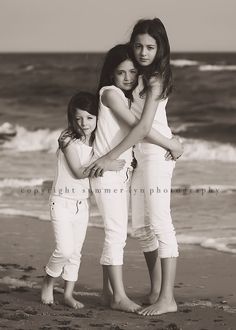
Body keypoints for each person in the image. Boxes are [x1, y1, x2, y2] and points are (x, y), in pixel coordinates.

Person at [87, 18, 182, 316]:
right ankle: (156, 290)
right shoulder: (138, 76)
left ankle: (168, 297)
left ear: (161, 48)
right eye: (138, 46)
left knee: (161, 223)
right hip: (142, 157)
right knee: (141, 228)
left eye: (150, 47)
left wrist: (170, 144)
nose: (143, 52)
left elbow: (142, 127)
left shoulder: (155, 78)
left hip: (156, 156)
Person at [41, 92, 124, 309]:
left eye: (89, 118)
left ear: (98, 118)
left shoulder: (98, 143)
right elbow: (78, 172)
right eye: (78, 118)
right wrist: (106, 164)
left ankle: (68, 294)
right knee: (65, 249)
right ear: (71, 118)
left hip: (82, 205)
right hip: (60, 201)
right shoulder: (67, 139)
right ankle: (48, 280)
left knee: (76, 252)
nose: (83, 123)